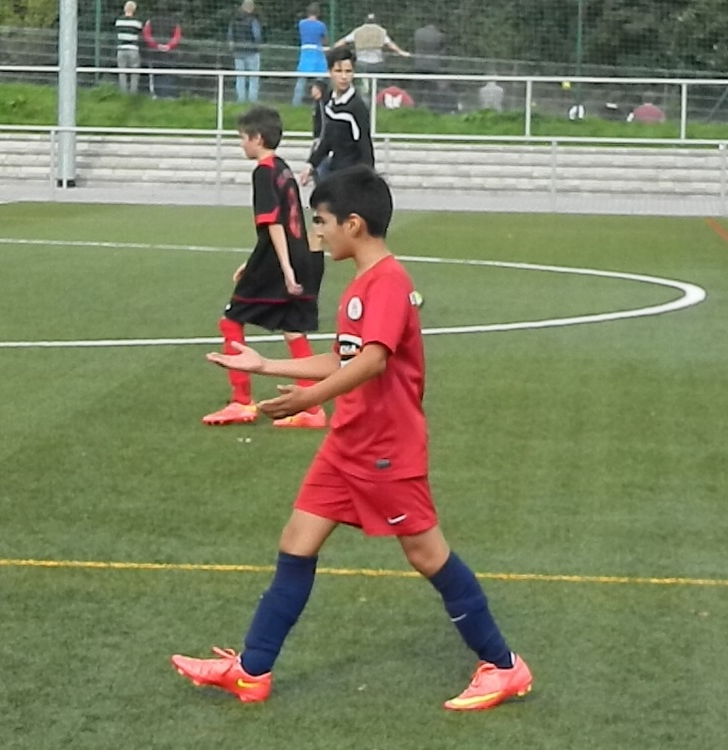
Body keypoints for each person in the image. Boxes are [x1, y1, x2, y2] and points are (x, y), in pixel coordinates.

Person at [171, 165, 533, 712]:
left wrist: (308, 400)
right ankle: (251, 671)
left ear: (354, 224)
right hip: (347, 444)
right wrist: (266, 366)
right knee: (297, 542)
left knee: (427, 554)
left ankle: (503, 666)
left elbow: (373, 361)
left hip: (386, 450)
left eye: (322, 222)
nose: (317, 233)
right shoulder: (363, 283)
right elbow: (345, 357)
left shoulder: (388, 282)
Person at [201, 106, 326, 429]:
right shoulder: (283, 168)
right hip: (301, 255)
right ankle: (313, 409)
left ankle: (241, 402)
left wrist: (283, 269)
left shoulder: (263, 171)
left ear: (257, 138)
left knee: (231, 321)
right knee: (293, 329)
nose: (242, 144)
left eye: (243, 137)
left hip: (280, 262)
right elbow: (289, 220)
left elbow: (273, 223)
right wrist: (254, 261)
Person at [299, 46, 374, 186]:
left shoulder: (356, 107)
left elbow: (364, 145)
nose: (344, 77)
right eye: (339, 71)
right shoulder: (330, 101)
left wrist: (368, 179)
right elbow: (327, 139)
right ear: (330, 72)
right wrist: (311, 164)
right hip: (333, 169)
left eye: (348, 71)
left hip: (351, 175)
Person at [335, 13, 410, 92]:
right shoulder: (380, 31)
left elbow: (343, 41)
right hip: (377, 63)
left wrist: (333, 48)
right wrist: (402, 52)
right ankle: (374, 92)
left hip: (361, 63)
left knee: (362, 80)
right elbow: (390, 44)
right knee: (376, 83)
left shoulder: (358, 31)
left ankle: (365, 90)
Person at [291, 3, 327, 106]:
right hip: (317, 51)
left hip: (305, 51)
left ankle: (296, 102)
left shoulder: (302, 23)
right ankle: (319, 101)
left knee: (301, 78)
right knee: (319, 77)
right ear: (318, 13)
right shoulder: (321, 25)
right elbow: (324, 39)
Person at [228, 0, 263, 104]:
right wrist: (258, 46)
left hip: (238, 52)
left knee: (240, 77)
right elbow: (257, 36)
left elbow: (230, 35)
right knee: (253, 77)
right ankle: (252, 100)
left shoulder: (234, 20)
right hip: (251, 52)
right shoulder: (253, 20)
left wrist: (233, 46)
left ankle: (241, 99)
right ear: (251, 8)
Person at [142, 11, 182, 99]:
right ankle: (168, 94)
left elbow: (147, 35)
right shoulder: (174, 22)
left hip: (154, 52)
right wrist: (169, 46)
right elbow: (177, 36)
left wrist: (156, 45)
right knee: (168, 73)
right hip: (169, 53)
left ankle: (157, 94)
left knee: (156, 73)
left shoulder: (151, 21)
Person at [412, 22, 445, 107]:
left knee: (418, 88)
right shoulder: (439, 35)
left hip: (419, 64)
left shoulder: (418, 33)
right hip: (433, 65)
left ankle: (416, 106)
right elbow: (442, 49)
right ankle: (432, 107)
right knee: (432, 89)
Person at [114, 1, 143, 95]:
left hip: (121, 48)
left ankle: (123, 93)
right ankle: (133, 93)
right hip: (133, 49)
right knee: (134, 72)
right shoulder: (136, 22)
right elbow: (140, 30)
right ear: (134, 10)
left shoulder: (119, 21)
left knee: (122, 72)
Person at [307, 78, 332, 183]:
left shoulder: (322, 104)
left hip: (321, 140)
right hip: (318, 139)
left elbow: (323, 123)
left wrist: (320, 139)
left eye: (314, 88)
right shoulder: (317, 103)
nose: (312, 90)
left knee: (320, 167)